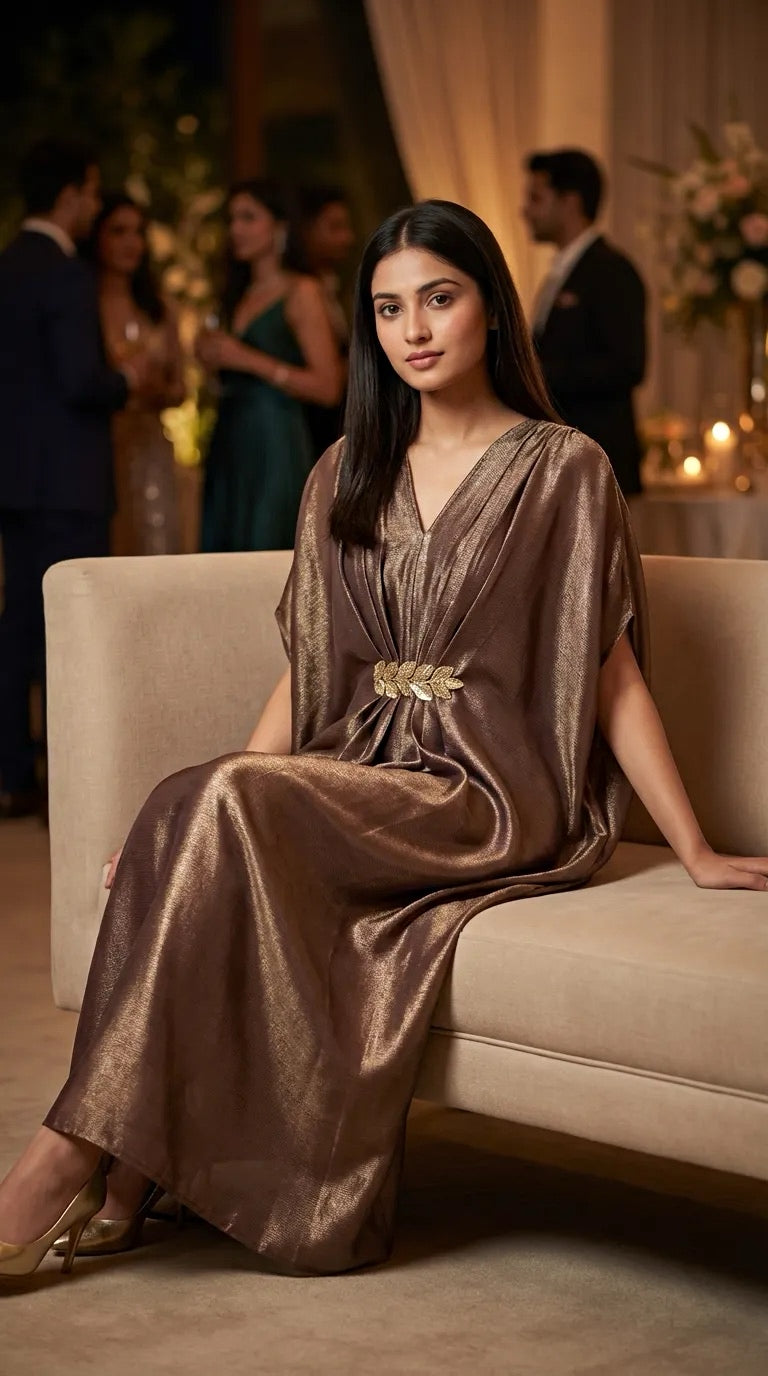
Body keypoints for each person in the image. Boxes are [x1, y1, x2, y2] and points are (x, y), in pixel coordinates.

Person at [2, 199, 767, 1285]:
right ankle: (122, 1180)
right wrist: (188, 817)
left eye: (439, 299)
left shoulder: (564, 468)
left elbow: (614, 671)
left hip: (489, 789)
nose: (414, 329)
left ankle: (54, 1166)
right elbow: (306, 672)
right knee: (198, 795)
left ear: (490, 309)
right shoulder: (346, 470)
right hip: (364, 760)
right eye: (389, 308)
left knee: (219, 801)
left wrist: (692, 846)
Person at [0, 140, 149, 822]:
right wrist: (127, 379)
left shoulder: (8, 264)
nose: (94, 205)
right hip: (66, 479)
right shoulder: (64, 274)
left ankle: (12, 769)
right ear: (69, 194)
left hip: (18, 479)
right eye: (91, 193)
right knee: (69, 630)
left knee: (19, 625)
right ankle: (68, 777)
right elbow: (78, 381)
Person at [197, 178, 342, 552]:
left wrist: (245, 358)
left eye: (248, 218)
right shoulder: (235, 295)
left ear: (279, 226)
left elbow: (328, 387)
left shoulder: (301, 291)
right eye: (232, 220)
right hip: (230, 438)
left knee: (265, 548)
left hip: (275, 438)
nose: (236, 230)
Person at [522, 148, 646, 496]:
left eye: (535, 197)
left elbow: (628, 366)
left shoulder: (610, 271)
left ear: (570, 201)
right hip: (565, 459)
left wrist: (534, 372)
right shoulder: (561, 273)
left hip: (599, 461)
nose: (525, 210)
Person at [84, 192, 186, 556]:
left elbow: (180, 389)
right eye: (118, 231)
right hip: (100, 444)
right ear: (97, 237)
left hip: (149, 446)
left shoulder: (157, 307)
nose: (131, 243)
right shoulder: (83, 304)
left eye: (138, 232)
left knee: (154, 543)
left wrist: (154, 387)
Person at [285, 185, 356, 458]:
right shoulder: (300, 292)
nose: (347, 238)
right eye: (335, 227)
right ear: (305, 230)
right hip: (305, 440)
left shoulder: (333, 288)